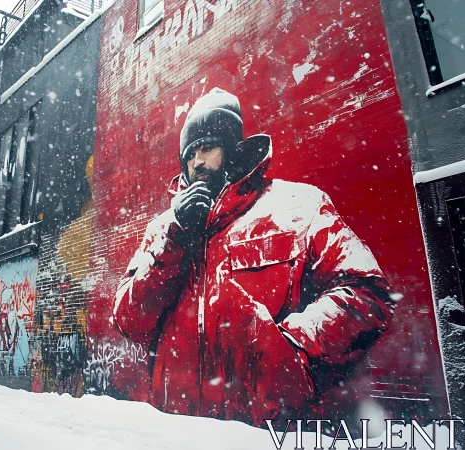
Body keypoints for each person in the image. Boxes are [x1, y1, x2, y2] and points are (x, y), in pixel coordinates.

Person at [113, 88, 396, 425]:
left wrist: (290, 352)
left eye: (208, 148)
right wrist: (175, 239)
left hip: (265, 431)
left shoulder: (297, 208)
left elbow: (368, 293)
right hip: (178, 430)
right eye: (189, 155)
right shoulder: (164, 229)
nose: (198, 162)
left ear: (233, 150)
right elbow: (130, 321)